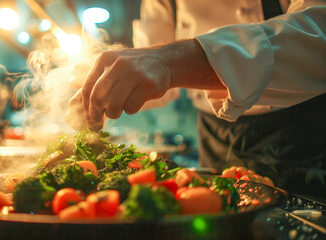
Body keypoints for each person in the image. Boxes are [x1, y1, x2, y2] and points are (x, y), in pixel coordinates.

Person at [66, 0, 326, 197]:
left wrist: (173, 60)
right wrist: (111, 80)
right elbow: (153, 68)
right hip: (214, 138)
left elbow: (319, 33)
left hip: (303, 134)